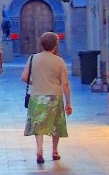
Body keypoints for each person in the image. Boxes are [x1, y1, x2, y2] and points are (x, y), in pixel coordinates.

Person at [22, 31, 72, 164]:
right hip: (54, 97)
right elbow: (65, 84)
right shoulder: (59, 61)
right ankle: (55, 151)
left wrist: (36, 82)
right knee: (56, 124)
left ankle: (39, 150)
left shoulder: (32, 58)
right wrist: (68, 103)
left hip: (37, 96)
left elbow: (24, 77)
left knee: (38, 124)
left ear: (41, 44)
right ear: (55, 45)